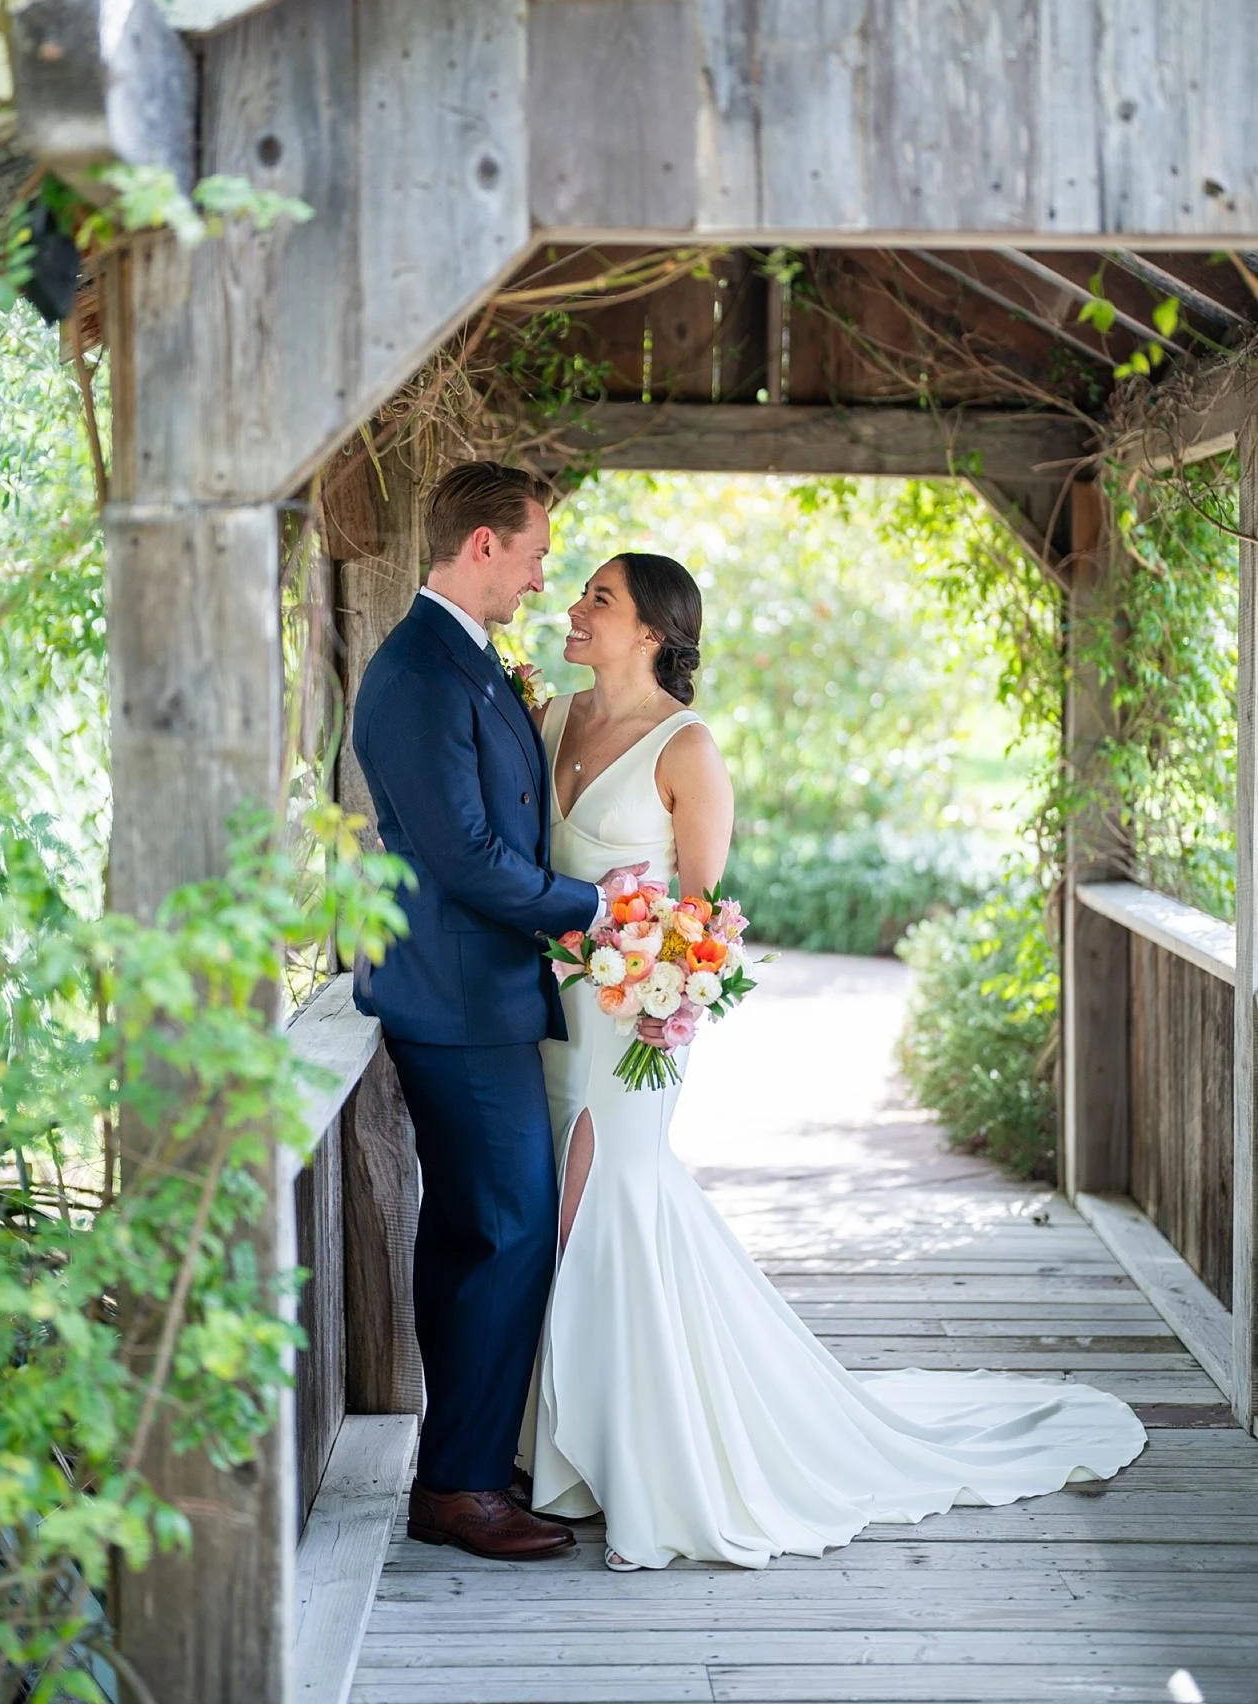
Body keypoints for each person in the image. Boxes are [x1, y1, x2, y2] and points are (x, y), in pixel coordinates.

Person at [518, 550, 1147, 1571]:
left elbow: (702, 912)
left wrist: (656, 993)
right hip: (548, 1009)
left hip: (635, 1017)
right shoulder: (548, 720)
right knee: (557, 1202)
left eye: (600, 597)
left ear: (651, 632)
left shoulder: (686, 746)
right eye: (581, 589)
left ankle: (636, 1457)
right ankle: (560, 1449)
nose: (576, 607)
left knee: (610, 1200)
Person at [351, 461, 644, 1563]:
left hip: (481, 987)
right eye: (531, 553)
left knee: (476, 1227)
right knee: (510, 1225)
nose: (538, 576)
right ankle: (460, 1484)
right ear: (481, 543)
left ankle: (466, 1459)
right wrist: (598, 906)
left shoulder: (465, 660)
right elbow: (464, 856)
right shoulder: (419, 672)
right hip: (458, 996)